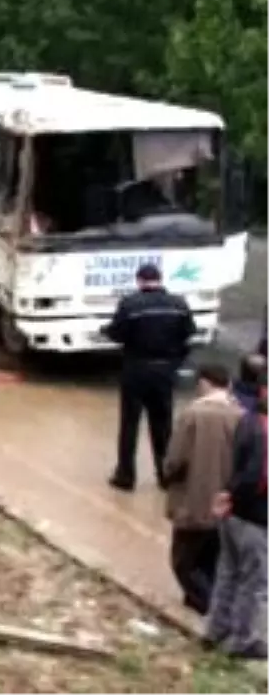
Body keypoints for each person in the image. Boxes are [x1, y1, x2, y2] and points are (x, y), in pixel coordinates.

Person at [102, 263, 196, 492]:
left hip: (136, 370)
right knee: (163, 425)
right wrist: (174, 363)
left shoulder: (130, 304)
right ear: (160, 279)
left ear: (140, 281)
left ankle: (126, 476)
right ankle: (165, 476)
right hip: (164, 372)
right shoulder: (179, 304)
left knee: (129, 424)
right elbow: (189, 337)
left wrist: (105, 330)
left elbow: (117, 334)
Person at [162, 363, 244, 614]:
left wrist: (167, 475)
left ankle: (209, 610)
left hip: (193, 501)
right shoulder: (240, 415)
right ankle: (204, 605)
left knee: (182, 562)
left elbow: (175, 459)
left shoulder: (192, 414)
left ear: (204, 383)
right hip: (226, 504)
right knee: (212, 561)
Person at [204, 382, 269, 658]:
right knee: (254, 581)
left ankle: (215, 630)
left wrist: (228, 496)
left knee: (228, 572)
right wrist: (237, 497)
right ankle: (243, 639)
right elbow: (259, 476)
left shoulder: (248, 420)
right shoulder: (265, 431)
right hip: (255, 515)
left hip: (233, 512)